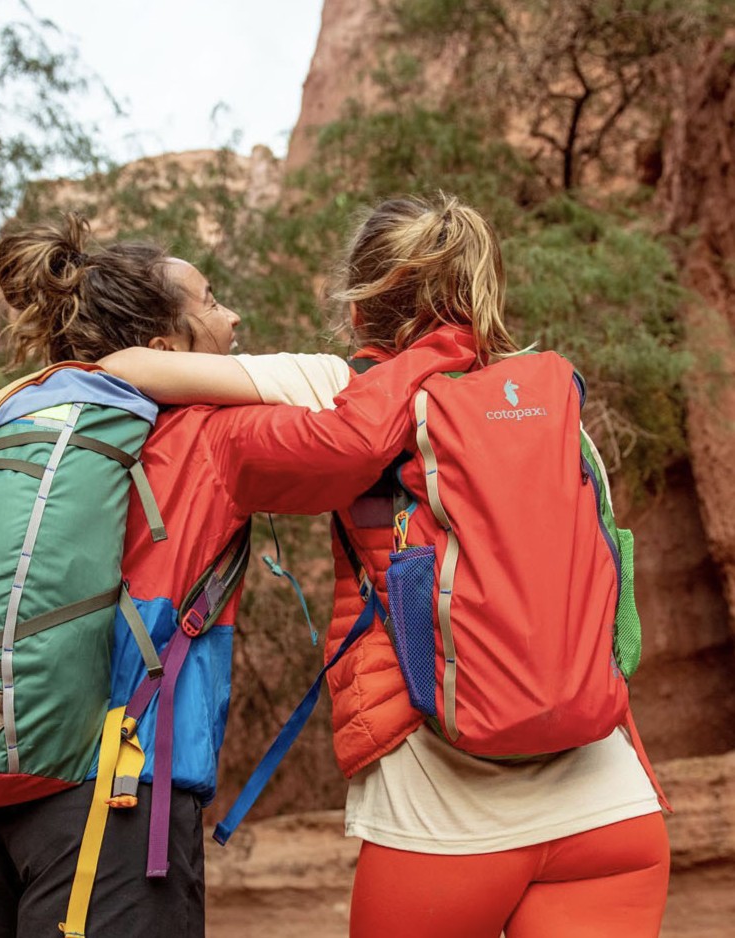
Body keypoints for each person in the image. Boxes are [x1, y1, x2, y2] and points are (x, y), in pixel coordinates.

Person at [99, 193, 671, 938]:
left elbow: (181, 417)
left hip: (445, 813)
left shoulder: (347, 397)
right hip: (613, 804)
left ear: (363, 311)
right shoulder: (548, 397)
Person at [0, 211, 450, 938]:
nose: (232, 315)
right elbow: (354, 443)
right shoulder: (210, 436)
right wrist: (432, 352)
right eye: (210, 301)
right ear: (167, 346)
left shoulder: (19, 423)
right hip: (116, 793)